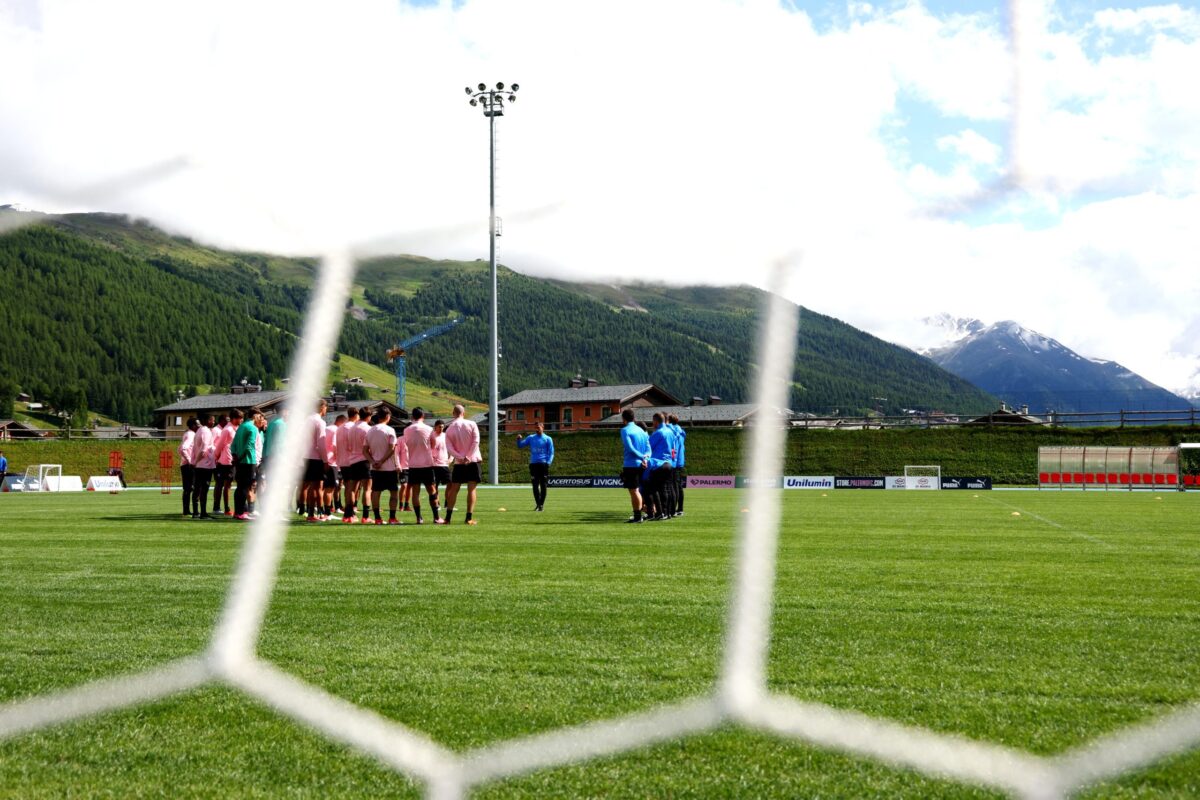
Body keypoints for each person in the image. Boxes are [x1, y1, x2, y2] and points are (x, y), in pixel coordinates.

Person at [443, 404, 483, 525]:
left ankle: (448, 518)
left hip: (459, 463)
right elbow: (476, 441)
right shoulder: (472, 424)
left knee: (454, 489)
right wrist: (469, 456)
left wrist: (461, 457)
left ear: (453, 413)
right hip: (473, 461)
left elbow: (450, 449)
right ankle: (468, 518)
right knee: (471, 489)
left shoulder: (449, 429)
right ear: (463, 413)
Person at [402, 407, 442, 524]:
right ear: (423, 416)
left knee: (415, 492)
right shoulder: (429, 429)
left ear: (412, 417)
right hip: (427, 464)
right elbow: (433, 445)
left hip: (413, 465)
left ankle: (418, 518)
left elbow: (407, 443)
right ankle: (436, 517)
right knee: (432, 490)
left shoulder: (407, 430)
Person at [363, 408, 401, 524]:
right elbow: (392, 449)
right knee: (394, 493)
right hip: (389, 468)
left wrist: (373, 461)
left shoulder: (370, 431)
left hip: (375, 468)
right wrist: (381, 461)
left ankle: (378, 518)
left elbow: (364, 451)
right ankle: (392, 518)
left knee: (376, 492)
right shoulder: (390, 430)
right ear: (388, 416)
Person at [619, 408, 651, 523]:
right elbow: (648, 448)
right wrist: (646, 458)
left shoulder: (625, 430)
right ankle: (642, 513)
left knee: (634, 491)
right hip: (642, 465)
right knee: (638, 490)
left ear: (624, 419)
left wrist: (642, 457)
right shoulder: (641, 431)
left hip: (631, 464)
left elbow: (630, 448)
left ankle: (637, 516)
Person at [644, 413, 677, 521]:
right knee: (666, 489)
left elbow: (648, 447)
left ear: (656, 421)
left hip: (659, 464)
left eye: (653, 422)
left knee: (653, 489)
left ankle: (659, 513)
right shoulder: (671, 432)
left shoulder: (657, 433)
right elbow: (673, 449)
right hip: (670, 464)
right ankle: (667, 513)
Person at [517, 421, 554, 511]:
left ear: (542, 427)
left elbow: (551, 452)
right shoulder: (531, 438)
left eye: (539, 427)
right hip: (533, 465)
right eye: (536, 427)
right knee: (535, 485)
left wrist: (548, 462)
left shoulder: (548, 439)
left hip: (543, 464)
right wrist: (518, 439)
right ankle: (538, 504)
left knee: (543, 485)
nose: (537, 429)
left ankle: (541, 504)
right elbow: (520, 445)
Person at [229, 409, 259, 520]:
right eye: (259, 416)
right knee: (245, 487)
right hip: (248, 461)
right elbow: (249, 446)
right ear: (254, 416)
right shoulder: (253, 428)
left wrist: (235, 457)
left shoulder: (241, 427)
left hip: (240, 462)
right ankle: (240, 513)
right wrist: (240, 457)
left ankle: (239, 512)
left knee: (240, 487)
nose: (260, 419)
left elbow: (233, 445)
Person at [302, 400, 328, 521]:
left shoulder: (306, 420)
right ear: (322, 407)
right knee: (316, 487)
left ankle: (313, 513)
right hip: (316, 457)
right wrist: (326, 460)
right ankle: (315, 514)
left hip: (306, 456)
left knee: (310, 486)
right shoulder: (320, 422)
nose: (326, 410)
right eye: (326, 407)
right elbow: (321, 443)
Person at [192, 414, 217, 519]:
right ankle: (203, 513)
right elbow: (203, 450)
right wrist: (196, 462)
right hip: (205, 464)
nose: (213, 422)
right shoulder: (206, 431)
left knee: (197, 488)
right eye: (212, 420)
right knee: (204, 489)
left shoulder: (199, 431)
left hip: (200, 465)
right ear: (207, 420)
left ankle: (196, 512)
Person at [212, 414, 236, 516]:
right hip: (219, 460)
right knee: (219, 484)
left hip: (225, 459)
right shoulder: (216, 430)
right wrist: (216, 457)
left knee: (226, 484)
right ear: (221, 420)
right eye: (227, 420)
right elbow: (212, 445)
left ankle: (225, 507)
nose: (228, 421)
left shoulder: (228, 429)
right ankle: (217, 507)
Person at [324, 415, 346, 518]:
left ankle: (323, 511)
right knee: (330, 489)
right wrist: (339, 459)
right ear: (342, 422)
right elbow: (335, 446)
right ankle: (327, 513)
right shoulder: (336, 430)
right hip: (331, 461)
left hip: (323, 460)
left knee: (323, 488)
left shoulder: (327, 428)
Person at [178, 417, 199, 517]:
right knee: (189, 488)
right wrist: (190, 460)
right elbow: (183, 449)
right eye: (197, 424)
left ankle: (186, 510)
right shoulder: (191, 435)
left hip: (185, 464)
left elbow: (179, 448)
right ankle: (186, 510)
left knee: (188, 488)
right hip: (188, 465)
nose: (199, 426)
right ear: (193, 425)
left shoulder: (187, 433)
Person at [667, 413, 686, 516]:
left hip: (674, 461)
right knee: (678, 486)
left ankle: (673, 509)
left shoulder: (672, 431)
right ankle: (680, 509)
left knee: (674, 486)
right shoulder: (680, 431)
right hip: (680, 460)